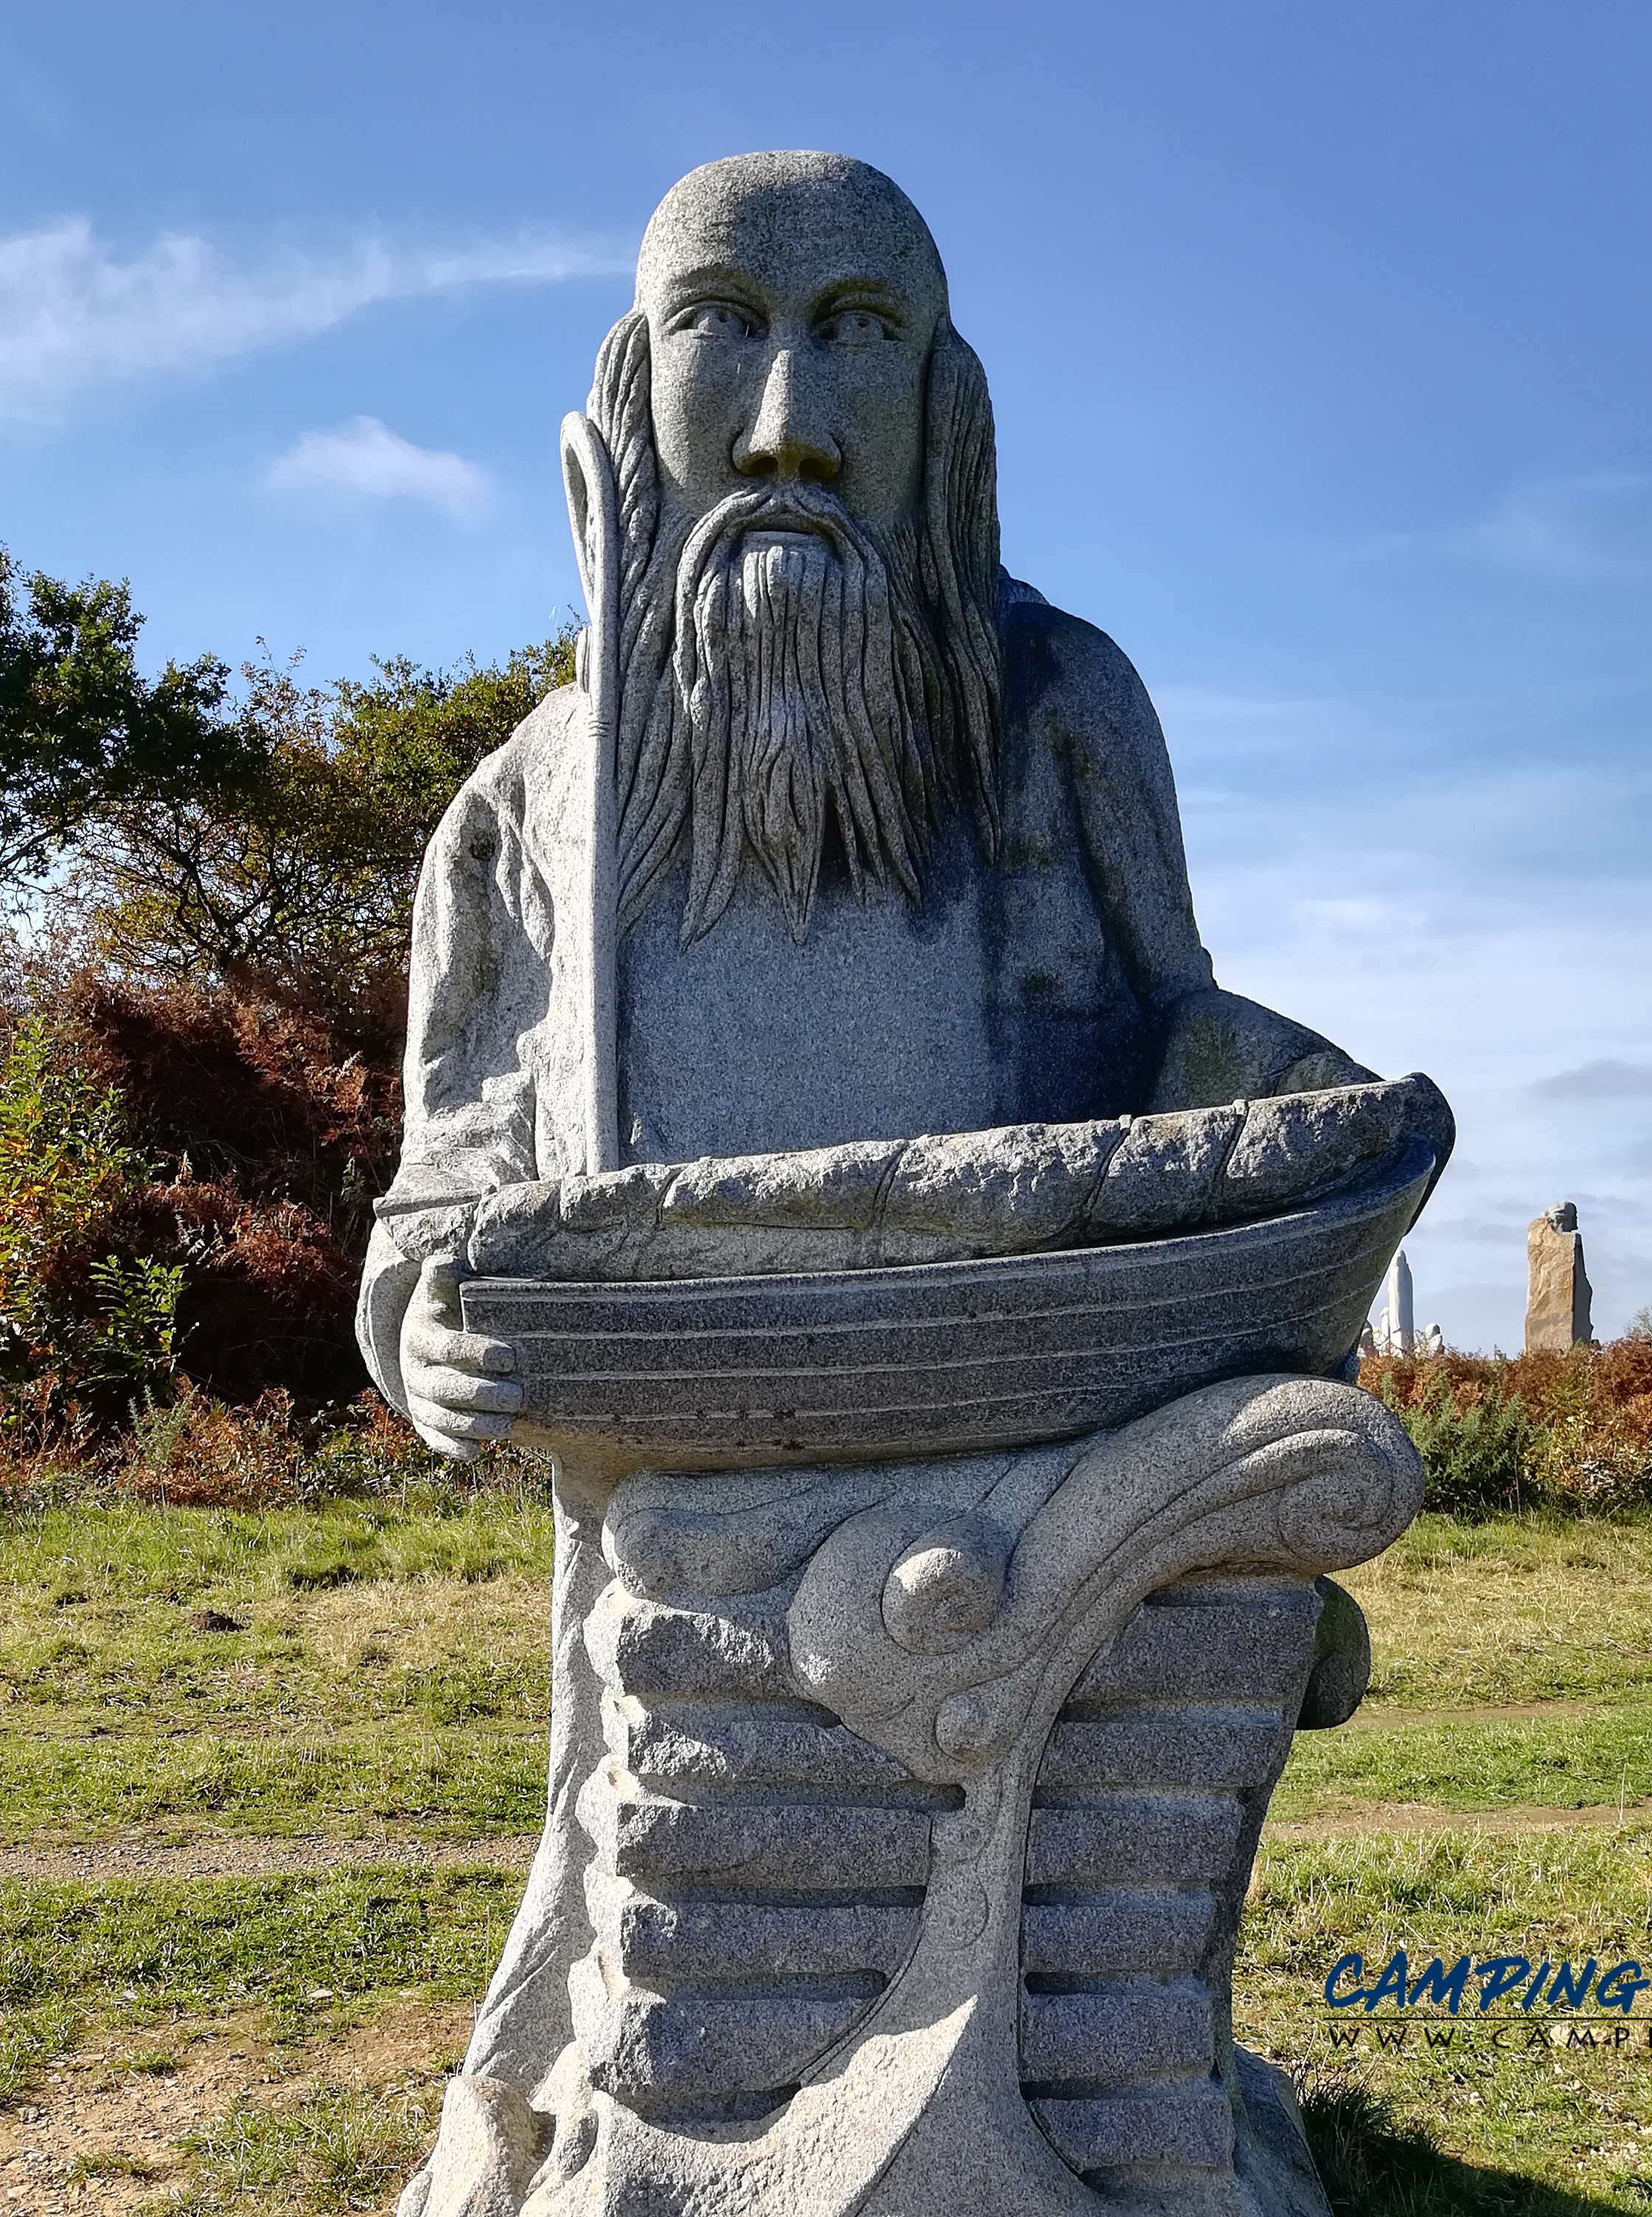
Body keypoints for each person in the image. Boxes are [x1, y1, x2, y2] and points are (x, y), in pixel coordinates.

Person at [359, 150, 1370, 1460]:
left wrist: (1303, 1113)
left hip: (1032, 1457)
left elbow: (1179, 1037)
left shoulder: (1064, 710)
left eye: (858, 332)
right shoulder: (528, 805)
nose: (788, 427)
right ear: (631, 385)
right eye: (718, 324)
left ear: (947, 411)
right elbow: (453, 1166)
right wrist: (422, 1332)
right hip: (672, 1511)